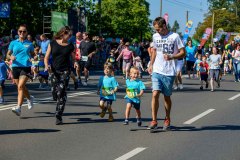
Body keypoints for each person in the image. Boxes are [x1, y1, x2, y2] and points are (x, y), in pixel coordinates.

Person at [148, 17, 185, 131]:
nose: (157, 31)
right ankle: (154, 120)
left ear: (164, 26)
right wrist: (151, 64)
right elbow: (154, 50)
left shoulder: (175, 36)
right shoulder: (155, 36)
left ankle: (167, 118)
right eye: (155, 29)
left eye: (158, 29)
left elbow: (183, 53)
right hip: (157, 70)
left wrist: (172, 56)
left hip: (169, 71)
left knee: (166, 96)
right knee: (155, 94)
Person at [44, 26, 78, 125]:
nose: (70, 37)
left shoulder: (71, 45)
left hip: (65, 71)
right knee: (55, 92)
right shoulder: (53, 43)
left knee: (61, 92)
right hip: (54, 70)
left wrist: (75, 63)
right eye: (69, 34)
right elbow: (46, 57)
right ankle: (56, 94)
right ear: (63, 33)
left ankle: (58, 116)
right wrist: (47, 66)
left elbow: (74, 58)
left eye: (71, 35)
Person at [7, 24, 35, 116]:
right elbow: (7, 55)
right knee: (20, 86)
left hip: (26, 67)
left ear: (26, 33)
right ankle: (30, 98)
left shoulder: (30, 44)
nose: (22, 33)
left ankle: (18, 107)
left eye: (24, 31)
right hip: (15, 67)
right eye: (20, 31)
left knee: (20, 86)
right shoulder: (13, 43)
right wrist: (10, 56)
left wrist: (33, 59)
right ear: (18, 32)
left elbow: (34, 55)